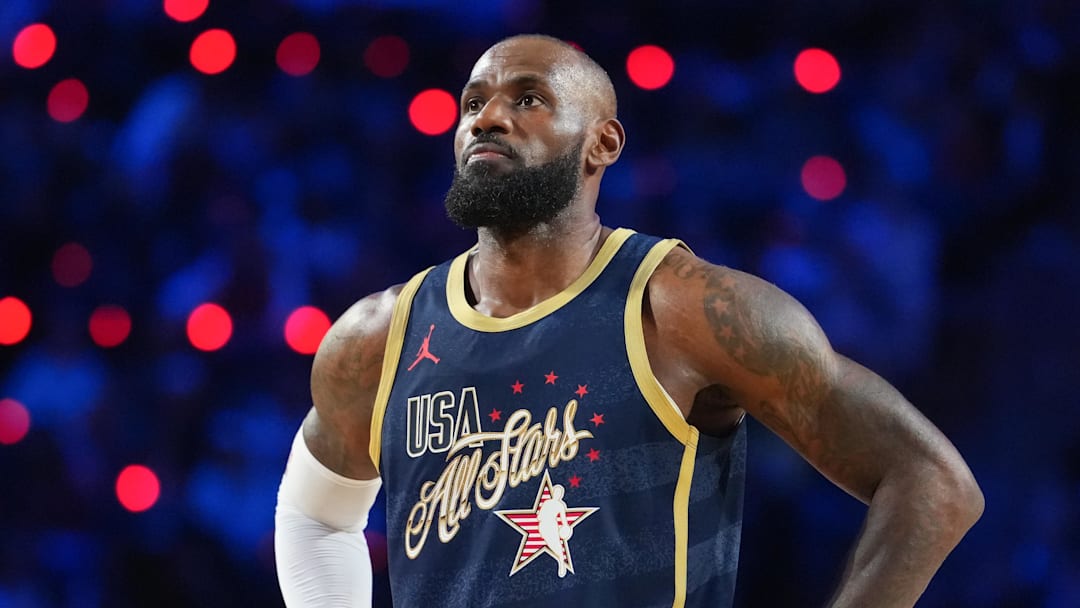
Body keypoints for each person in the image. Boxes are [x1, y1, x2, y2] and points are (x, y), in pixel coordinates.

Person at [274, 34, 983, 608]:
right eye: (474, 102)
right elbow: (316, 518)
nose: (487, 118)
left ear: (603, 144)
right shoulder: (379, 335)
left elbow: (932, 482)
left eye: (528, 99)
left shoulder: (684, 309)